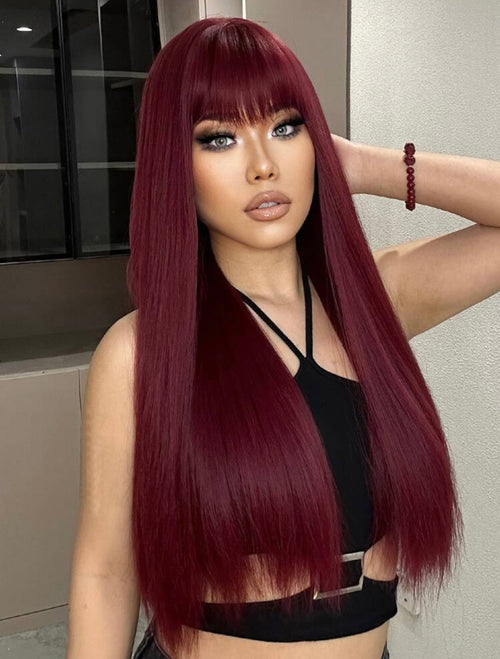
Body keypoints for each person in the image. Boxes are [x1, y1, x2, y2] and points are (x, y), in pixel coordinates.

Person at [66, 17, 468, 659]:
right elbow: (107, 572)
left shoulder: (374, 304)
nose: (262, 166)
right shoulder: (141, 352)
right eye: (219, 138)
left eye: (285, 127)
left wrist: (367, 165)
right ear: (176, 164)